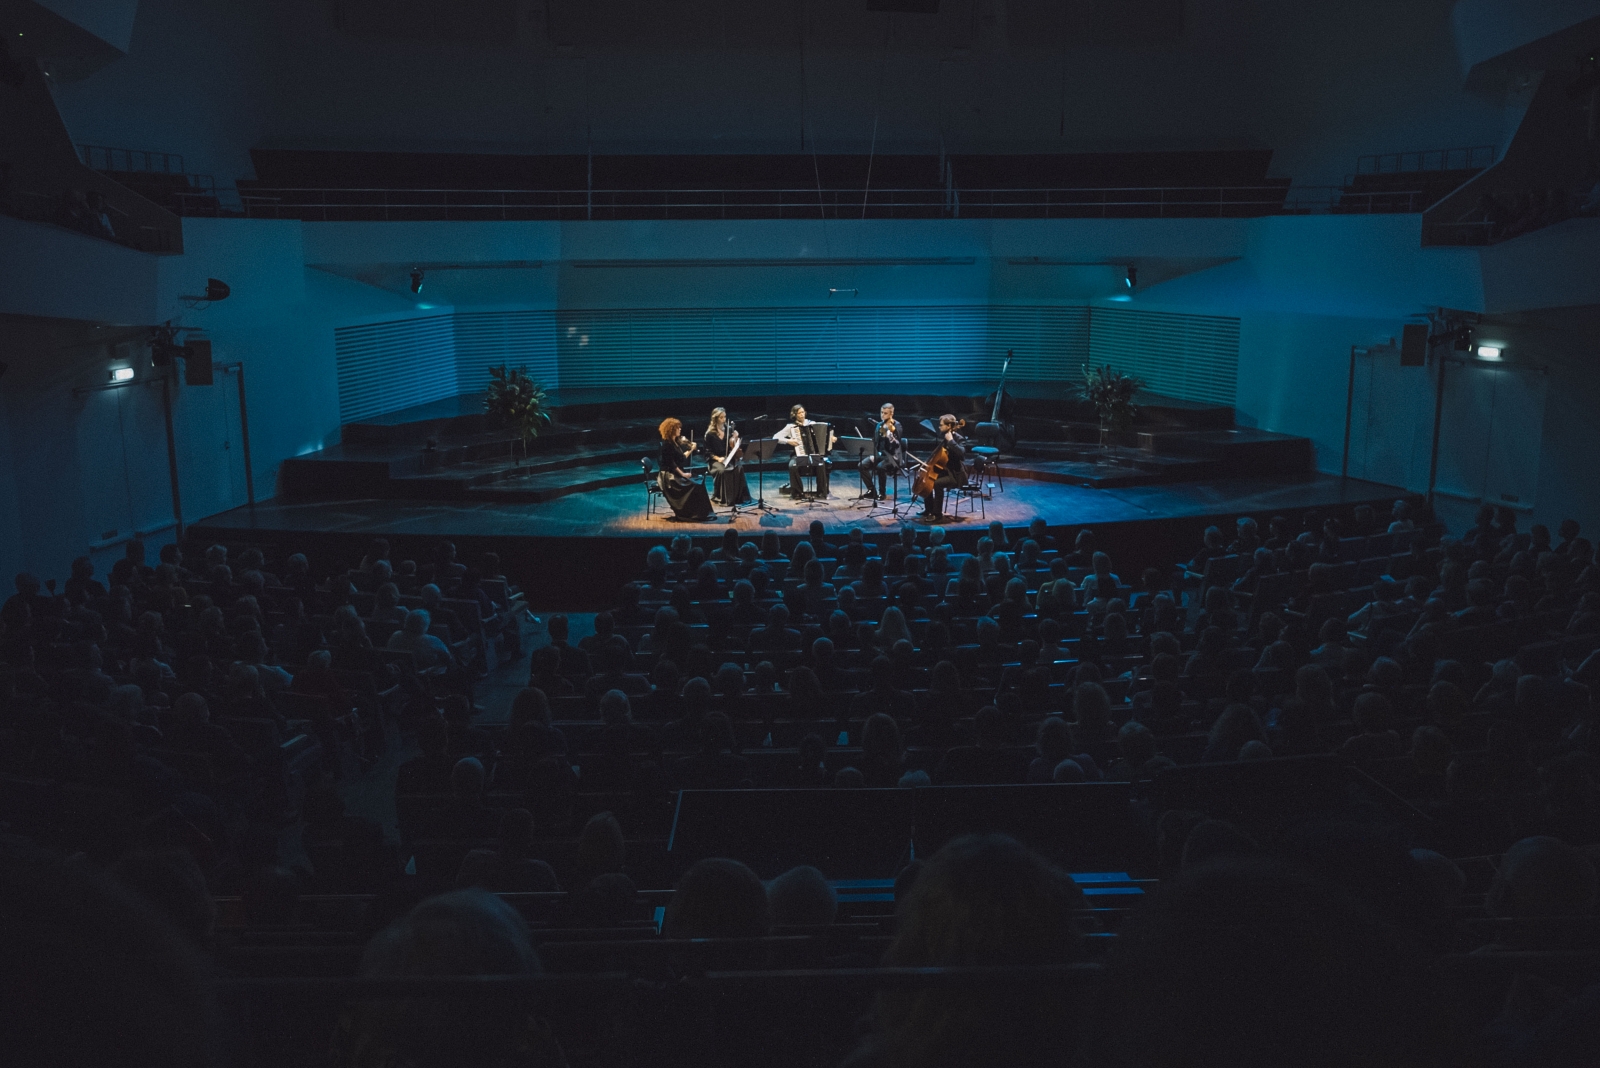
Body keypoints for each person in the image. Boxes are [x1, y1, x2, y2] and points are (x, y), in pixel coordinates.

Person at [656, 417, 715, 521]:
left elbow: (682, 458)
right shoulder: (667, 445)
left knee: (699, 481)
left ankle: (702, 513)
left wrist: (691, 449)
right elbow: (672, 464)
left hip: (674, 473)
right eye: (677, 428)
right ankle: (691, 513)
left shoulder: (675, 442)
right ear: (671, 430)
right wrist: (683, 474)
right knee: (694, 485)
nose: (680, 429)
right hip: (668, 477)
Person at [773, 404, 837, 498]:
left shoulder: (812, 423)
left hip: (814, 453)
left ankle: (821, 492)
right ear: (794, 415)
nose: (802, 414)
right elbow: (776, 437)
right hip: (798, 454)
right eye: (799, 413)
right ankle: (798, 493)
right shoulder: (790, 427)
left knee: (821, 464)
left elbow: (824, 436)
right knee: (792, 466)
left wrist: (831, 438)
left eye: (803, 412)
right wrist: (788, 441)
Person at [916, 414, 965, 521]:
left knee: (936, 484)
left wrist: (951, 441)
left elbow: (962, 454)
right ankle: (929, 509)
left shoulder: (958, 438)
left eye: (941, 425)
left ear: (949, 426)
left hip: (955, 475)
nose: (939, 427)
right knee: (928, 481)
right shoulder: (944, 438)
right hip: (944, 472)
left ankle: (937, 514)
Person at [703, 406, 750, 506]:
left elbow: (732, 445)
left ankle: (738, 497)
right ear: (715, 418)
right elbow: (707, 452)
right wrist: (718, 458)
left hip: (727, 458)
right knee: (723, 471)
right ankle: (724, 497)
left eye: (724, 417)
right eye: (721, 417)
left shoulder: (728, 429)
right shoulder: (709, 434)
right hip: (715, 460)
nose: (724, 419)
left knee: (739, 468)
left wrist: (736, 437)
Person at [860, 402, 906, 500]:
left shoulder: (897, 426)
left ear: (891, 413)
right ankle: (872, 490)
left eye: (885, 413)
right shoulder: (879, 425)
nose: (882, 415)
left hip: (893, 457)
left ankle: (882, 493)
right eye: (881, 412)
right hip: (881, 455)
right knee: (862, 465)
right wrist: (873, 454)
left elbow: (896, 444)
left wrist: (890, 436)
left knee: (880, 467)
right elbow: (876, 441)